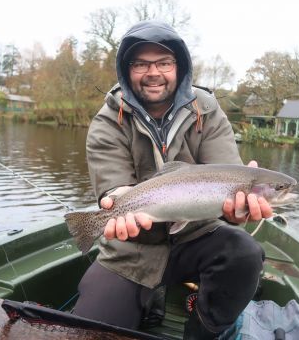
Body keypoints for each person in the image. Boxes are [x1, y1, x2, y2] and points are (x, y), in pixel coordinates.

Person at [73, 20, 272, 339]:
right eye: (141, 63)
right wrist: (118, 203)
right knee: (88, 333)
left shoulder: (207, 112)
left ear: (180, 67)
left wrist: (235, 213)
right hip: (132, 249)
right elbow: (114, 187)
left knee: (245, 253)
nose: (153, 72)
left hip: (198, 236)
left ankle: (203, 331)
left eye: (164, 62)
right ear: (127, 70)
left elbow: (226, 177)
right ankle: (149, 299)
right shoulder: (108, 121)